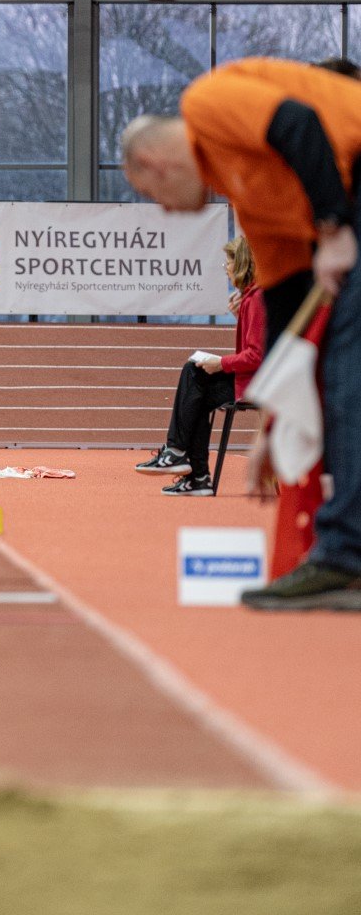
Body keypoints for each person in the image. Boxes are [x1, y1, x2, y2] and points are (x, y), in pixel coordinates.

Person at [121, 56, 361, 610]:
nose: (168, 212)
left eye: (154, 199)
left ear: (154, 163)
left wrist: (333, 228)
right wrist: (274, 423)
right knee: (334, 380)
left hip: (351, 190)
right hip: (345, 207)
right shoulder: (244, 189)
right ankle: (344, 552)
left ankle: (345, 559)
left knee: (349, 381)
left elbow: (300, 123)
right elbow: (284, 301)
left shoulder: (206, 103)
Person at [134, 236, 265, 495]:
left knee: (195, 375)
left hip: (255, 384)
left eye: (228, 263)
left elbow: (258, 356)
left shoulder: (257, 299)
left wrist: (221, 363)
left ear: (241, 264)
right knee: (195, 380)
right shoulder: (250, 298)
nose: (226, 269)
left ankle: (180, 457)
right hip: (248, 379)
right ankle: (196, 475)